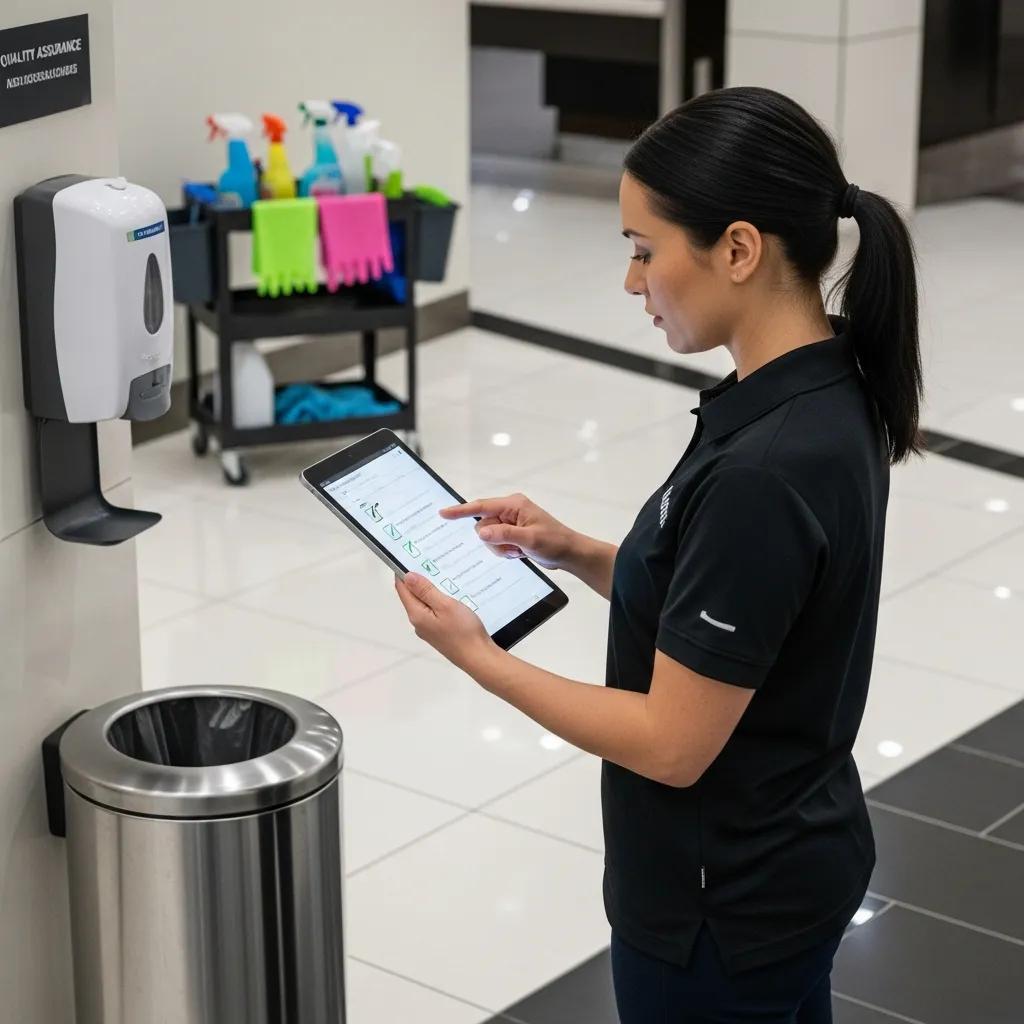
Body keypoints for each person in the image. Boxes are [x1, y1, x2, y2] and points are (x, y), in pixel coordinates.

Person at [394, 86, 922, 1023]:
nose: (631, 282)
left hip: (721, 911)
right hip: (798, 858)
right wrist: (571, 548)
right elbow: (743, 610)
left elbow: (674, 745)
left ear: (739, 249)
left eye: (643, 251)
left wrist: (482, 661)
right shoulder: (825, 384)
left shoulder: (764, 470)